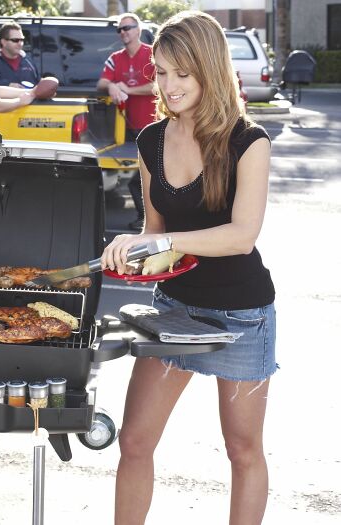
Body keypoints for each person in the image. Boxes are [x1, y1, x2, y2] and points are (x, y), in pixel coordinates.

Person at [100, 11, 276, 525]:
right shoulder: (150, 141)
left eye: (183, 73)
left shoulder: (249, 140)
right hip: (175, 308)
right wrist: (131, 246)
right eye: (160, 72)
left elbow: (243, 236)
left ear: (210, 69)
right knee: (133, 441)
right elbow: (157, 231)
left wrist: (167, 238)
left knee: (242, 450)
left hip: (244, 315)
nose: (169, 86)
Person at [97, 13, 157, 232]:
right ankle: (146, 219)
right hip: (128, 129)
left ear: (138, 30)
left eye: (128, 27)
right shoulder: (116, 57)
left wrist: (128, 89)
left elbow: (158, 85)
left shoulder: (152, 54)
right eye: (120, 29)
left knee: (144, 176)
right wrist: (112, 87)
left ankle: (150, 220)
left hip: (154, 126)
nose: (123, 32)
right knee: (136, 175)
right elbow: (102, 82)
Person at [0, 22, 40, 88]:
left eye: (22, 40)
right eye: (15, 40)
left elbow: (38, 85)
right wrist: (8, 85)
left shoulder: (29, 61)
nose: (20, 43)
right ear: (3, 42)